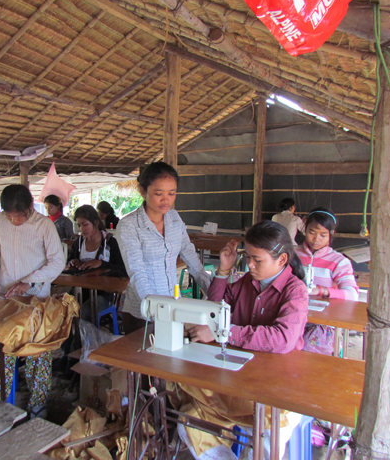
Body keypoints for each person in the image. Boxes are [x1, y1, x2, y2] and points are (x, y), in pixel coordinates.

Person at [180, 221, 309, 457]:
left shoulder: (295, 290)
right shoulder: (246, 282)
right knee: (189, 421)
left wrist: (223, 332)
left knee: (267, 436)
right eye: (247, 257)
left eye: (257, 259)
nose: (249, 264)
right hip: (240, 379)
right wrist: (223, 270)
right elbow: (215, 309)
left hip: (277, 387)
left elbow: (283, 339)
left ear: (281, 260)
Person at [0, 184, 65, 418]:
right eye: (10, 216)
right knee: (5, 349)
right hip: (7, 299)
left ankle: (38, 404)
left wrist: (29, 282)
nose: (14, 221)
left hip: (36, 301)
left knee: (37, 351)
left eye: (19, 216)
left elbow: (57, 262)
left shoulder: (43, 225)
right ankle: (1, 397)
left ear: (30, 207)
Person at [116, 162, 211, 333]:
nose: (166, 199)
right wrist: (154, 309)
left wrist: (213, 290)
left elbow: (191, 257)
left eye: (171, 193)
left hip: (174, 307)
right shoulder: (129, 225)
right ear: (143, 191)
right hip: (143, 315)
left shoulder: (174, 218)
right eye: (158, 193)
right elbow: (137, 272)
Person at [295, 207, 358, 355]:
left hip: (322, 322)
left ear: (331, 234)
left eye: (323, 235)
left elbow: (352, 294)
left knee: (307, 353)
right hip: (294, 315)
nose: (317, 239)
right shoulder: (292, 254)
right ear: (304, 229)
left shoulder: (339, 261)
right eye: (312, 232)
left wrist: (321, 290)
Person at [66, 205, 126, 319]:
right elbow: (69, 262)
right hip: (80, 290)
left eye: (85, 225)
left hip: (104, 294)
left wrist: (101, 264)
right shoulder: (79, 243)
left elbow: (123, 269)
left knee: (83, 313)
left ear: (96, 222)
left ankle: (83, 331)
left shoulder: (110, 243)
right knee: (63, 309)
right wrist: (73, 262)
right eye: (79, 225)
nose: (81, 229)